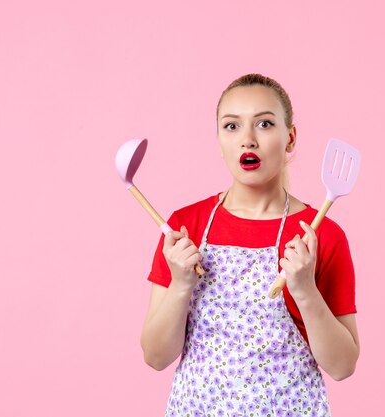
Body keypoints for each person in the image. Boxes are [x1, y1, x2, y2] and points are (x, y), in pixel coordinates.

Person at [141, 73, 360, 417]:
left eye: (264, 124)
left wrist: (304, 290)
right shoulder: (184, 229)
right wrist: (181, 285)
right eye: (231, 126)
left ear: (290, 138)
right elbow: (155, 356)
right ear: (218, 139)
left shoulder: (321, 235)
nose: (248, 140)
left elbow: (343, 366)